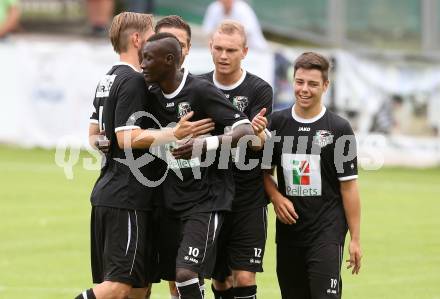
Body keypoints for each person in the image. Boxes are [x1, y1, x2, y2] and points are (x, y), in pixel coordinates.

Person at [78, 12, 214, 299]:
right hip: (125, 197)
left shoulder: (108, 78)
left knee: (138, 289)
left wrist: (105, 144)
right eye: (152, 36)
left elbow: (94, 134)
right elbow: (125, 137)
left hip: (113, 193)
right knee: (118, 287)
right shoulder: (133, 80)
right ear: (137, 39)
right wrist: (172, 133)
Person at [141, 32, 256, 299]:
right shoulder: (150, 93)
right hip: (171, 198)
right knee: (177, 281)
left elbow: (246, 131)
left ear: (169, 60)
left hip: (207, 199)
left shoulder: (200, 90)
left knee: (186, 274)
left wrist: (205, 144)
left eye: (148, 58)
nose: (143, 64)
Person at [263, 52, 362, 299]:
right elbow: (263, 173)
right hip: (289, 234)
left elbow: (349, 188)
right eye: (299, 82)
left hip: (327, 232)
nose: (304, 89)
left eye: (313, 84)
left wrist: (355, 239)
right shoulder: (276, 123)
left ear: (325, 85)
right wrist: (275, 197)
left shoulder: (339, 128)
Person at [198, 20, 273, 299]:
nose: (223, 56)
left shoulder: (259, 89)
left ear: (245, 51)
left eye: (231, 50)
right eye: (218, 48)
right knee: (220, 279)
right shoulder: (199, 85)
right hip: (209, 193)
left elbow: (257, 142)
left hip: (247, 195)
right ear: (210, 48)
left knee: (243, 275)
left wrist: (256, 136)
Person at [202, 0, 268, 51]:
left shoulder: (243, 9)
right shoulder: (214, 8)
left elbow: (246, 34)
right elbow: (208, 32)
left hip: (256, 52)